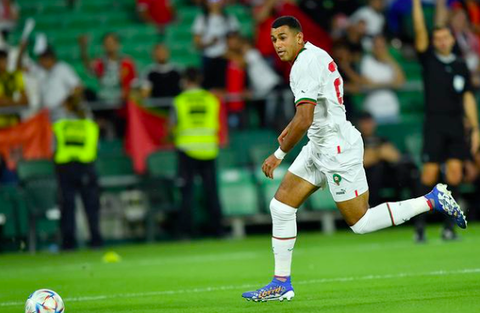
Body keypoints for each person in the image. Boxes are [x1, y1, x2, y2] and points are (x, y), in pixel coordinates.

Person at [241, 16, 467, 302]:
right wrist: (295, 125)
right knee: (281, 206)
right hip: (320, 144)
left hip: (337, 150)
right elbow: (312, 113)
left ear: (299, 38)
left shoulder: (304, 65)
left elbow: (306, 117)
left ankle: (432, 199)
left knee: (360, 223)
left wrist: (278, 154)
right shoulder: (313, 56)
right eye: (274, 39)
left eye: (283, 37)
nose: (277, 44)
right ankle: (281, 283)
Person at [412, 0, 479, 242]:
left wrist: (476, 128)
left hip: (456, 126)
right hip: (434, 124)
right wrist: (417, 5)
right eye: (437, 38)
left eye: (445, 37)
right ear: (434, 41)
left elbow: (468, 98)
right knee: (429, 176)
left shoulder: (461, 65)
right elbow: (420, 31)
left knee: (454, 174)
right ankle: (419, 227)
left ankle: (448, 228)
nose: (441, 41)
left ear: (452, 40)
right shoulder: (428, 59)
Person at [171, 67, 223, 239]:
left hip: (187, 150)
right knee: (212, 192)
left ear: (185, 80)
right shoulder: (211, 99)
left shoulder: (179, 101)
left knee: (187, 192)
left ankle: (186, 232)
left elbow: (172, 126)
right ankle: (218, 230)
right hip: (209, 149)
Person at [52, 96, 103, 250]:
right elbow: (96, 146)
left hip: (65, 167)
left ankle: (69, 243)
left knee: (68, 205)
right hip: (86, 166)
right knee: (91, 205)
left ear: (67, 107)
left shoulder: (60, 125)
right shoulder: (89, 125)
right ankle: (96, 240)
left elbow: (53, 147)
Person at [360, 35, 405, 124]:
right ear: (372, 47)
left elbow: (400, 82)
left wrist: (390, 60)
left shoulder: (391, 62)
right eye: (377, 46)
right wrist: (390, 84)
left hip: (392, 109)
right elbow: (367, 84)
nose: (379, 49)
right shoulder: (366, 61)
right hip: (373, 110)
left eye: (382, 46)